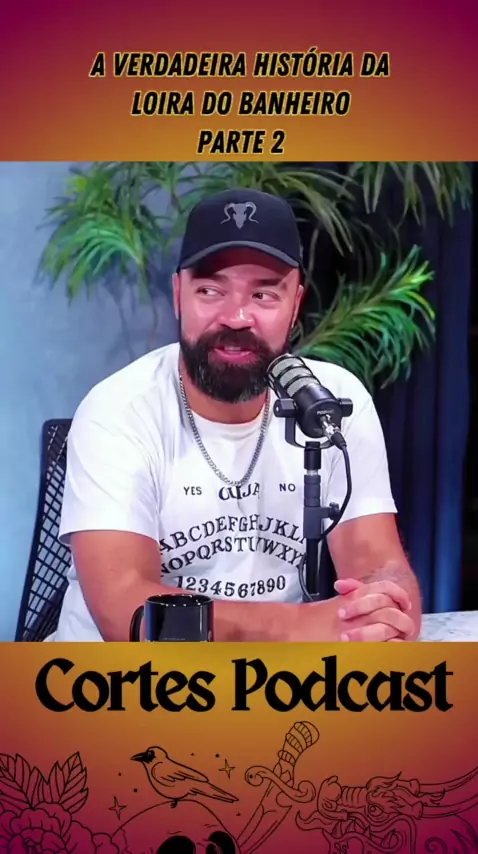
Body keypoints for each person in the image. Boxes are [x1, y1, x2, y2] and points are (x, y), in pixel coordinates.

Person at [52, 188, 422, 643]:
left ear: (295, 306)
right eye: (211, 290)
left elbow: (379, 565)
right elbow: (127, 614)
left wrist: (384, 609)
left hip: (269, 674)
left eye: (264, 294)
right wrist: (306, 625)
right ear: (178, 295)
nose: (236, 316)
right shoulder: (118, 410)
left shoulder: (331, 402)